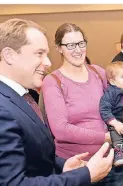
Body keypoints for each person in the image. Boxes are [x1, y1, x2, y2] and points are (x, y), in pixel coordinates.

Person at [0, 18, 113, 186]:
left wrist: (62, 165)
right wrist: (85, 175)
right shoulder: (4, 108)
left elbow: (36, 157)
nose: (48, 62)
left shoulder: (21, 97)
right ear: (9, 55)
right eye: (39, 53)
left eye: (81, 43)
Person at [41, 23, 123, 186]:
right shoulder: (53, 81)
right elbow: (61, 130)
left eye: (81, 44)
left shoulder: (98, 73)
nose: (78, 50)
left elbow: (117, 106)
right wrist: (106, 137)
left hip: (109, 160)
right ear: (59, 48)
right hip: (77, 167)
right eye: (70, 45)